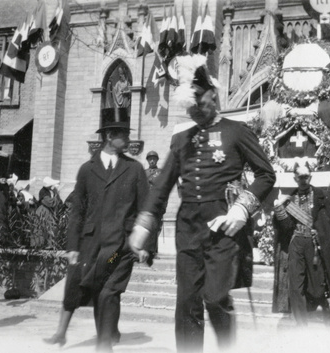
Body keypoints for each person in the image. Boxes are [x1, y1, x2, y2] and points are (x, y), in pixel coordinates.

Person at [129, 54, 276, 353]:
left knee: (215, 297)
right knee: (187, 302)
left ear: (213, 94)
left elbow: (266, 174)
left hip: (223, 228)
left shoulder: (237, 131)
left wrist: (242, 208)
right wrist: (143, 226)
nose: (195, 110)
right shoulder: (182, 140)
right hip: (188, 229)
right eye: (190, 106)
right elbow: (161, 187)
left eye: (200, 102)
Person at [45, 107, 149, 352]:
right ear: (109, 136)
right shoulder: (86, 170)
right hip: (90, 245)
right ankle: (102, 333)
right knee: (87, 288)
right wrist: (72, 247)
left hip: (119, 247)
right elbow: (77, 212)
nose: (129, 138)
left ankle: (104, 345)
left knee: (108, 291)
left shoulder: (135, 169)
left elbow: (147, 209)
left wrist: (144, 245)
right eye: (123, 133)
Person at [272, 162, 330, 326]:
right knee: (295, 285)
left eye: (306, 176)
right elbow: (287, 227)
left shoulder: (325, 197)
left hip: (316, 245)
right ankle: (301, 325)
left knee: (318, 285)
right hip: (296, 243)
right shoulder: (290, 200)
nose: (304, 180)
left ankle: (326, 315)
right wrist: (279, 210)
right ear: (295, 178)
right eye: (300, 177)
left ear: (311, 176)